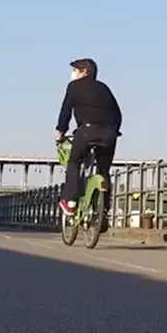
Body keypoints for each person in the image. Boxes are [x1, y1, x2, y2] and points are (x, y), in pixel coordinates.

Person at [54, 57, 122, 217]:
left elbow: (66, 111)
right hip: (109, 133)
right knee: (104, 170)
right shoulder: (104, 88)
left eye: (74, 70)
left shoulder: (74, 87)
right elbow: (118, 113)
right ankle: (103, 211)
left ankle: (70, 202)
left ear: (83, 71)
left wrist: (60, 133)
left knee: (74, 161)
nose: (72, 74)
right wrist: (115, 130)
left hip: (86, 131)